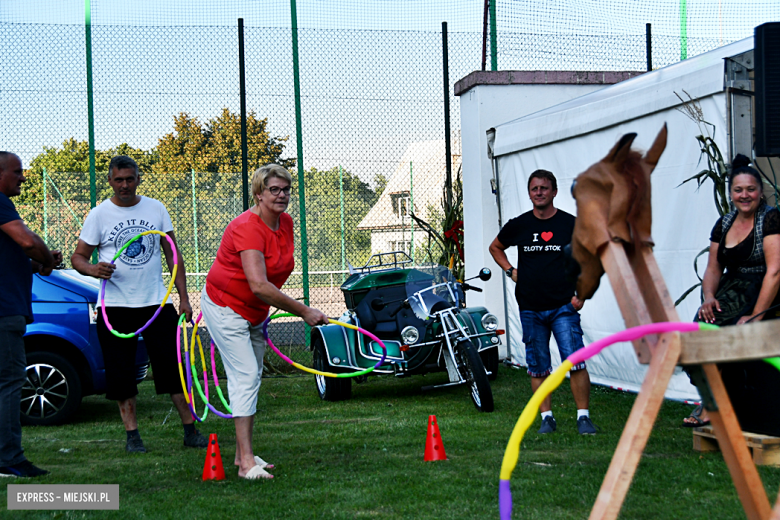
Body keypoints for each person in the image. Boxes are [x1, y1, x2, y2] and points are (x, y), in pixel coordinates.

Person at [200, 164, 329, 480]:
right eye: (274, 189)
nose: (282, 195)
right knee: (245, 374)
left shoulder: (285, 223)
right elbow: (258, 283)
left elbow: (270, 278)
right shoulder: (247, 227)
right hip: (225, 305)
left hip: (255, 309)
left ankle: (241, 454)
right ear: (258, 194)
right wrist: (304, 311)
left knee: (251, 375)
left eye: (286, 190)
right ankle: (246, 465)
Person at [70, 155, 207, 453]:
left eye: (130, 179)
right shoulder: (98, 215)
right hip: (114, 307)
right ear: (109, 181)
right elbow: (77, 258)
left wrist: (183, 298)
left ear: (138, 179)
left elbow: (172, 253)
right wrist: (93, 269)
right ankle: (133, 437)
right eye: (118, 180)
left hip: (156, 304)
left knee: (174, 370)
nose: (124, 185)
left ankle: (190, 431)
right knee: (121, 375)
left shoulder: (155, 208)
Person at [489, 169, 596, 435]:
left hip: (563, 306)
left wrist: (580, 294)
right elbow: (495, 247)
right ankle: (547, 418)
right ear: (529, 193)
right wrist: (510, 270)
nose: (539, 193)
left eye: (544, 188)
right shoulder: (520, 224)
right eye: (535, 189)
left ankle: (583, 417)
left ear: (554, 192)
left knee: (575, 361)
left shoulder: (570, 224)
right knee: (538, 366)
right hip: (530, 307)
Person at [683, 154, 780, 427]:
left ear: (761, 193)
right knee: (699, 334)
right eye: (738, 190)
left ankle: (712, 407)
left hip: (762, 288)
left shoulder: (770, 219)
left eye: (751, 189)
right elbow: (713, 269)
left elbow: (775, 270)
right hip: (730, 290)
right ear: (731, 194)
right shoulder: (724, 223)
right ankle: (713, 399)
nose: (745, 195)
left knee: (717, 338)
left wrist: (758, 316)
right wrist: (709, 297)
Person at [0, 152, 62, 477]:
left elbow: (15, 254)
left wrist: (38, 264)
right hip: (4, 312)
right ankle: (9, 458)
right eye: (17, 171)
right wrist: (46, 259)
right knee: (10, 381)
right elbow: (25, 240)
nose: (23, 177)